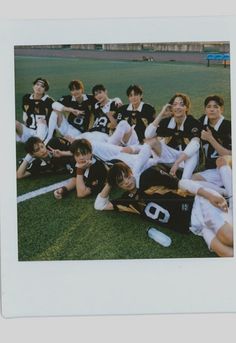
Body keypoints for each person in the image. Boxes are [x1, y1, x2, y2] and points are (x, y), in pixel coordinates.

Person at [94, 162, 233, 257]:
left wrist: (207, 194)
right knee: (225, 253)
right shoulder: (128, 200)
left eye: (127, 176)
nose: (126, 181)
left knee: (228, 237)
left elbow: (181, 183)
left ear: (131, 171)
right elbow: (99, 205)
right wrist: (109, 183)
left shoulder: (147, 176)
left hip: (198, 204)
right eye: (120, 181)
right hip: (193, 226)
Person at [145, 93, 201, 179]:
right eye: (175, 104)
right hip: (171, 158)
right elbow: (148, 135)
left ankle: (185, 179)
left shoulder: (192, 122)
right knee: (151, 142)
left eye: (181, 104)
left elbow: (195, 144)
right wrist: (161, 114)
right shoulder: (166, 122)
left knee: (193, 147)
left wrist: (177, 162)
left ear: (186, 108)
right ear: (171, 108)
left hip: (186, 160)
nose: (178, 107)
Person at [192, 95, 232, 204]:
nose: (212, 109)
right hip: (213, 170)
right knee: (193, 179)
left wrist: (210, 139)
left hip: (229, 168)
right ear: (205, 110)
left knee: (221, 160)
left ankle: (233, 199)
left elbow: (230, 155)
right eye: (209, 107)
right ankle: (225, 193)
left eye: (216, 107)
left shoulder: (229, 126)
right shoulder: (202, 123)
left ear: (221, 109)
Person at [108, 84, 156, 151]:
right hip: (125, 140)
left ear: (141, 95)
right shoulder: (123, 109)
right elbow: (116, 127)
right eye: (131, 95)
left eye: (136, 94)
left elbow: (153, 128)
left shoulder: (148, 108)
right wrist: (110, 116)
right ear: (128, 97)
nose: (133, 97)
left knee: (123, 123)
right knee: (123, 123)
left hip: (140, 142)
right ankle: (110, 146)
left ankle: (108, 147)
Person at [16, 77, 55, 143]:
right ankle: (22, 140)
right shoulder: (26, 98)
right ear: (33, 86)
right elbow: (25, 114)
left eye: (42, 86)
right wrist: (25, 125)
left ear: (45, 89)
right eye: (37, 84)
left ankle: (37, 142)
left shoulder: (49, 101)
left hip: (42, 131)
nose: (39, 87)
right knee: (14, 123)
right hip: (30, 129)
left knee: (41, 122)